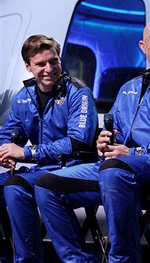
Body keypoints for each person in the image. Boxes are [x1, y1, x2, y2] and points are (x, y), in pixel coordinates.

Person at [35, 18, 150, 262]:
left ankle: (122, 259)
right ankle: (77, 260)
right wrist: (103, 141)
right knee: (46, 185)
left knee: (114, 170)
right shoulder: (129, 87)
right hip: (116, 166)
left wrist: (135, 152)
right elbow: (113, 130)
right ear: (142, 46)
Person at [0, 34, 98, 262]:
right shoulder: (24, 97)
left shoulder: (78, 92)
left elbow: (78, 142)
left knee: (16, 186)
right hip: (42, 172)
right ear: (28, 66)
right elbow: (8, 134)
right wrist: (3, 150)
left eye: (53, 61)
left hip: (73, 171)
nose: (49, 69)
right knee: (12, 185)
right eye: (41, 64)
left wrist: (26, 152)